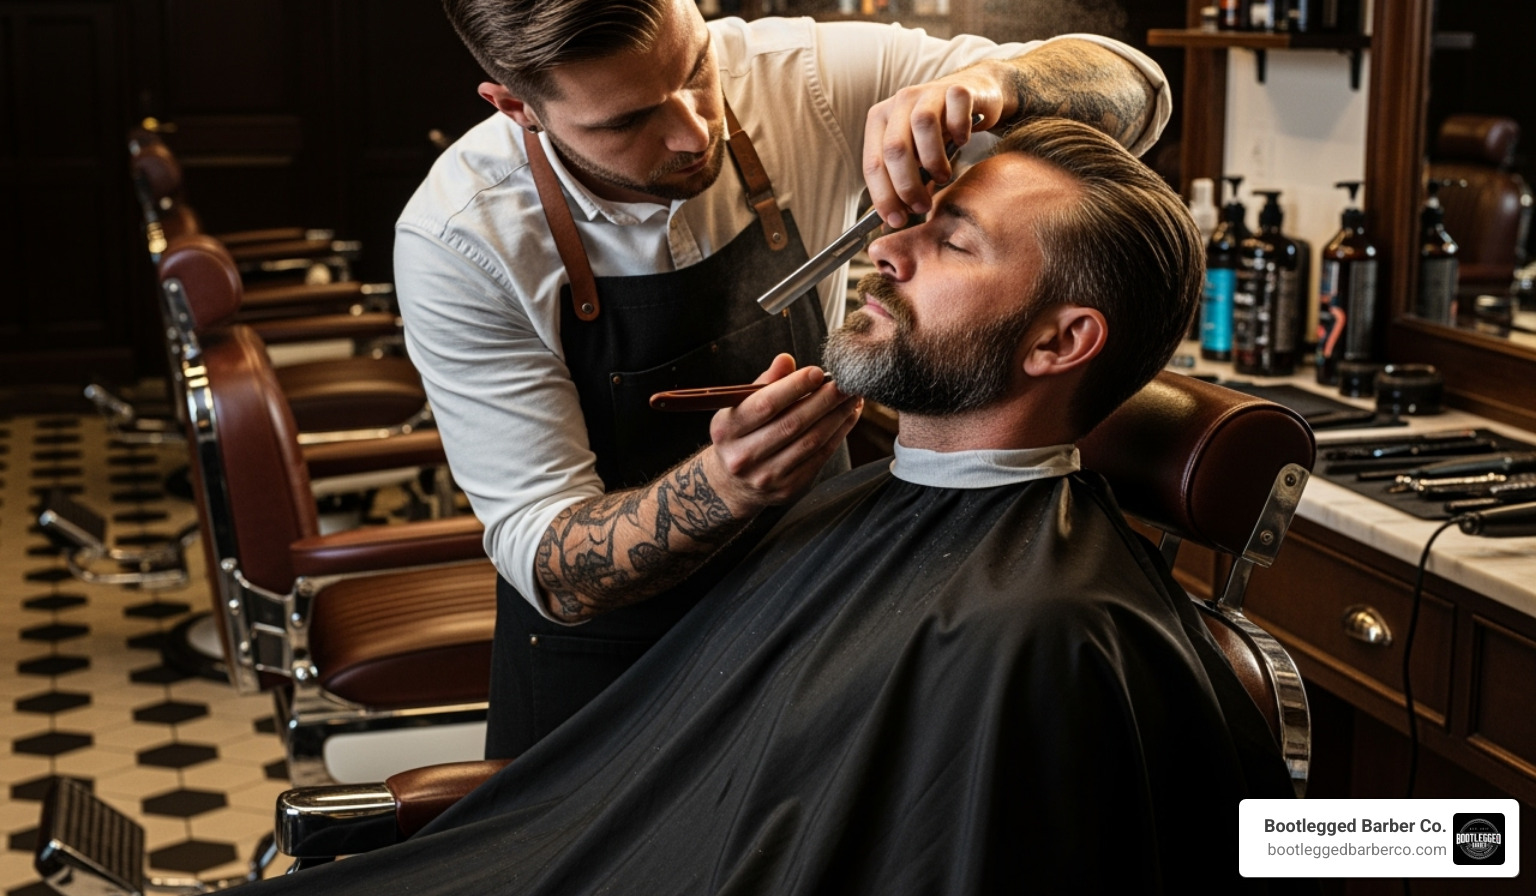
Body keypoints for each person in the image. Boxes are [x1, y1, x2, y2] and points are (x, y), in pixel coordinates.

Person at [260, 119, 1305, 895]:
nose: (884, 250)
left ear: (1056, 343)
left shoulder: (1046, 636)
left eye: (952, 242)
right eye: (911, 222)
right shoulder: (842, 504)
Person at [395, 0, 1173, 758]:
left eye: (695, 70)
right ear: (515, 107)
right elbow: (550, 562)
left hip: (815, 617)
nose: (695, 131)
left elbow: (1138, 95)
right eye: (631, 121)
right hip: (602, 683)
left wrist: (998, 82)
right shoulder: (462, 238)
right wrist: (727, 486)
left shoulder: (797, 75)